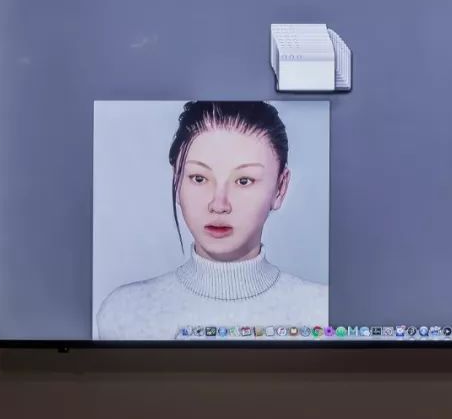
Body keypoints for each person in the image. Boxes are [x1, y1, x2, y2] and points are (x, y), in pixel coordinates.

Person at [96, 101, 328, 339]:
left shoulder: (322, 312)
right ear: (177, 181)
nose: (218, 204)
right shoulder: (123, 314)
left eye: (244, 181)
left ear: (280, 188)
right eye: (199, 178)